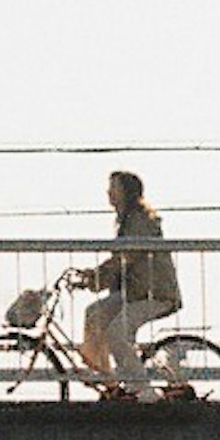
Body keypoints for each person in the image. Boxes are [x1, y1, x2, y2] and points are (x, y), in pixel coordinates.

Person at [79, 168, 188, 400]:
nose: (108, 192)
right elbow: (122, 261)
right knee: (94, 314)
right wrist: (94, 276)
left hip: (154, 293)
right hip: (135, 292)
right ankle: (107, 379)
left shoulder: (139, 220)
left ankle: (142, 389)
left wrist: (97, 277)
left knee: (116, 333)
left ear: (126, 192)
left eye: (113, 187)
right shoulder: (125, 220)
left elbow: (128, 256)